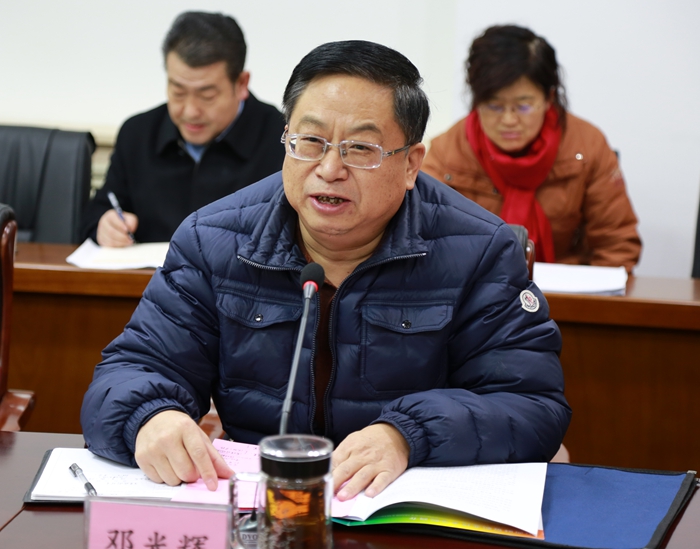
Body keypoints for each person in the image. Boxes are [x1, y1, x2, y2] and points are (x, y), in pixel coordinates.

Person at [81, 40, 571, 501]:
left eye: (361, 149)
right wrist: (149, 417)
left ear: (410, 165)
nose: (330, 169)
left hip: (402, 505)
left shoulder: (479, 250)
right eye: (310, 141)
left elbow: (531, 404)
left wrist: (408, 435)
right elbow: (130, 371)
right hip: (261, 506)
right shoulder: (214, 239)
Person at [422, 25, 642, 273]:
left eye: (523, 106)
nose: (508, 120)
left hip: (563, 290)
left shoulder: (588, 146)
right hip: (475, 288)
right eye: (494, 106)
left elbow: (616, 247)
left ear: (549, 98)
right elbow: (424, 242)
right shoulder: (447, 152)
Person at [80, 11, 285, 246]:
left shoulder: (281, 139)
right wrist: (104, 226)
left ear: (241, 84)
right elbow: (97, 212)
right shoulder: (138, 134)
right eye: (178, 92)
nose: (190, 111)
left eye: (207, 96)